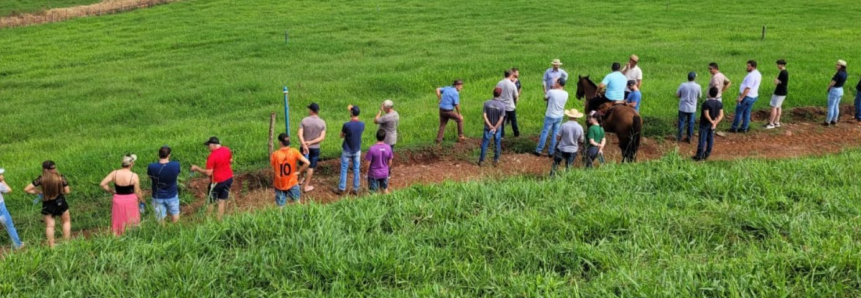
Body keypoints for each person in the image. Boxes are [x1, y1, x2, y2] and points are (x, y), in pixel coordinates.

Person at [24, 160, 71, 248]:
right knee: (66, 222)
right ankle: (66, 243)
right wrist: (60, 192)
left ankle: (52, 246)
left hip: (47, 204)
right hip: (60, 202)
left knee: (49, 226)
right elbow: (67, 191)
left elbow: (27, 189)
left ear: (44, 169)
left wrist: (39, 192)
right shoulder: (61, 177)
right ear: (54, 167)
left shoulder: (41, 179)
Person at [99, 154, 144, 236]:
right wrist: (141, 199)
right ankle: (132, 235)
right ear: (131, 164)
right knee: (132, 218)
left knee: (118, 218)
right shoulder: (134, 176)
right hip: (130, 200)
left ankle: (117, 235)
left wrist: (112, 191)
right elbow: (137, 191)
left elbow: (102, 184)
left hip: (118, 199)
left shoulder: (114, 173)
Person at [191, 137, 234, 221]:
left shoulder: (212, 156)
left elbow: (208, 172)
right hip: (229, 178)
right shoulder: (226, 149)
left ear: (214, 145)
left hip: (217, 182)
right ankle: (219, 220)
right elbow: (231, 161)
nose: (207, 147)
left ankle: (208, 220)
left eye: (208, 145)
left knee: (211, 201)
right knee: (222, 200)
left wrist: (196, 168)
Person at [271, 133, 310, 207]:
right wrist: (298, 172)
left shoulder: (275, 154)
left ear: (280, 142)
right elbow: (307, 162)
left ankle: (281, 218)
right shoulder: (294, 151)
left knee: (280, 206)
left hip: (279, 184)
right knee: (297, 202)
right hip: (292, 182)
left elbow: (273, 168)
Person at [534, 77, 568, 156]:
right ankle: (551, 151)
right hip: (560, 116)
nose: (555, 83)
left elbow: (545, 99)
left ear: (558, 83)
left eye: (556, 82)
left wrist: (547, 91)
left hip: (550, 115)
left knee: (545, 132)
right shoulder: (566, 93)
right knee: (555, 133)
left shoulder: (551, 92)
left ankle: (539, 150)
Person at [147, 146, 181, 223]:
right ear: (169, 155)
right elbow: (177, 174)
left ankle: (163, 231)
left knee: (160, 217)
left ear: (158, 154)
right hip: (172, 195)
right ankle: (175, 230)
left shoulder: (152, 166)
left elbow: (150, 177)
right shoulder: (176, 164)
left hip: (157, 196)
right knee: (175, 214)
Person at [298, 103, 326, 192]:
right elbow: (322, 138)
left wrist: (304, 144)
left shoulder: (304, 120)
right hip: (315, 148)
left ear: (311, 111)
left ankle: (300, 179)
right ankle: (306, 187)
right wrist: (311, 142)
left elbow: (299, 134)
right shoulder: (322, 122)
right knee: (311, 167)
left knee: (303, 164)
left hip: (304, 147)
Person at [338, 105, 365, 195]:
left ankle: (342, 188)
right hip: (357, 150)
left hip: (347, 149)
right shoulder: (362, 124)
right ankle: (356, 189)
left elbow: (341, 135)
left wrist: (347, 135)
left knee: (344, 169)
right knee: (356, 169)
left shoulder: (346, 125)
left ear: (352, 113)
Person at [730, 60, 762, 133]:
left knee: (739, 112)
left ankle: (734, 128)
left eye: (748, 66)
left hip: (747, 97)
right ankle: (744, 128)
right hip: (753, 96)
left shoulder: (751, 76)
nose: (747, 67)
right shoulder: (757, 73)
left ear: (753, 67)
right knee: (747, 112)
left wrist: (741, 97)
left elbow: (747, 88)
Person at [550, 109, 584, 176]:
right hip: (573, 150)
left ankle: (551, 176)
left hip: (562, 148)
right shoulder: (580, 127)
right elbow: (581, 140)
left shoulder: (564, 125)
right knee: (569, 165)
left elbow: (558, 137)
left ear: (569, 116)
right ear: (577, 117)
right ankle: (566, 178)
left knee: (556, 164)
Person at [694, 87, 725, 161]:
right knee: (710, 138)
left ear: (709, 93)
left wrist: (711, 122)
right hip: (713, 124)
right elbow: (721, 115)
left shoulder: (706, 103)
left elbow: (706, 115)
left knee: (702, 139)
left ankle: (699, 156)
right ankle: (707, 154)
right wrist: (715, 123)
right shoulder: (719, 103)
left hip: (705, 123)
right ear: (717, 94)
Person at [479, 87, 507, 166]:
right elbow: (501, 119)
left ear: (493, 93)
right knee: (497, 143)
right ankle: (496, 160)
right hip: (497, 128)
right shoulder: (502, 105)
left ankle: (481, 160)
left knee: (485, 143)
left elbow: (484, 115)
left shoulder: (486, 103)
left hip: (487, 127)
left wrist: (490, 125)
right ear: (500, 94)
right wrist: (495, 127)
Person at [374, 99, 398, 178]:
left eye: (383, 107)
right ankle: (388, 173)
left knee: (384, 157)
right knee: (390, 156)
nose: (383, 108)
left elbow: (375, 120)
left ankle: (384, 173)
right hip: (393, 138)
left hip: (387, 139)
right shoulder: (396, 114)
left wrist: (380, 111)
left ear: (387, 108)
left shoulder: (387, 117)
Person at [0, 168, 23, 250]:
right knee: (9, 226)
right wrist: (2, 181)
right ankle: (18, 244)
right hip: (1, 208)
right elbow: (9, 190)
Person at [365, 130, 394, 194]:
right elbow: (390, 162)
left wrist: (366, 171)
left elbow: (367, 163)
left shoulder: (372, 149)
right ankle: (391, 202)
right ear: (384, 137)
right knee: (385, 189)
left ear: (376, 136)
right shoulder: (388, 147)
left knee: (373, 192)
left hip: (373, 174)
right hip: (384, 173)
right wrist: (386, 169)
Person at [677, 72, 702, 143]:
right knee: (691, 123)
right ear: (694, 78)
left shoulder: (683, 85)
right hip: (692, 108)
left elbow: (677, 95)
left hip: (683, 107)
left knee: (681, 122)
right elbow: (699, 96)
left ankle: (679, 137)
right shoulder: (698, 86)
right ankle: (689, 138)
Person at [765, 59, 789, 129]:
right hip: (783, 92)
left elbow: (777, 82)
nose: (777, 66)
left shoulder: (782, 73)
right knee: (779, 106)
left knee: (774, 107)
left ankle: (771, 123)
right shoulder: (786, 72)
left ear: (781, 65)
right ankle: (777, 122)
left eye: (778, 64)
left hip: (779, 92)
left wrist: (775, 80)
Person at [497, 69, 520, 138]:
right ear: (510, 75)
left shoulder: (499, 83)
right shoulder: (512, 84)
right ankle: (516, 134)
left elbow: (496, 92)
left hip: (501, 106)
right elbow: (516, 96)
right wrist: (517, 98)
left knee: (501, 121)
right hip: (510, 106)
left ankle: (501, 135)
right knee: (513, 121)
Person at [825, 60, 848, 126]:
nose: (836, 66)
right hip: (840, 90)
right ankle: (834, 120)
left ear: (842, 66)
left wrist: (828, 88)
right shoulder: (845, 73)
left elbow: (833, 83)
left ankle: (827, 121)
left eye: (838, 65)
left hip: (834, 90)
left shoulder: (838, 74)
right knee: (836, 106)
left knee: (831, 107)